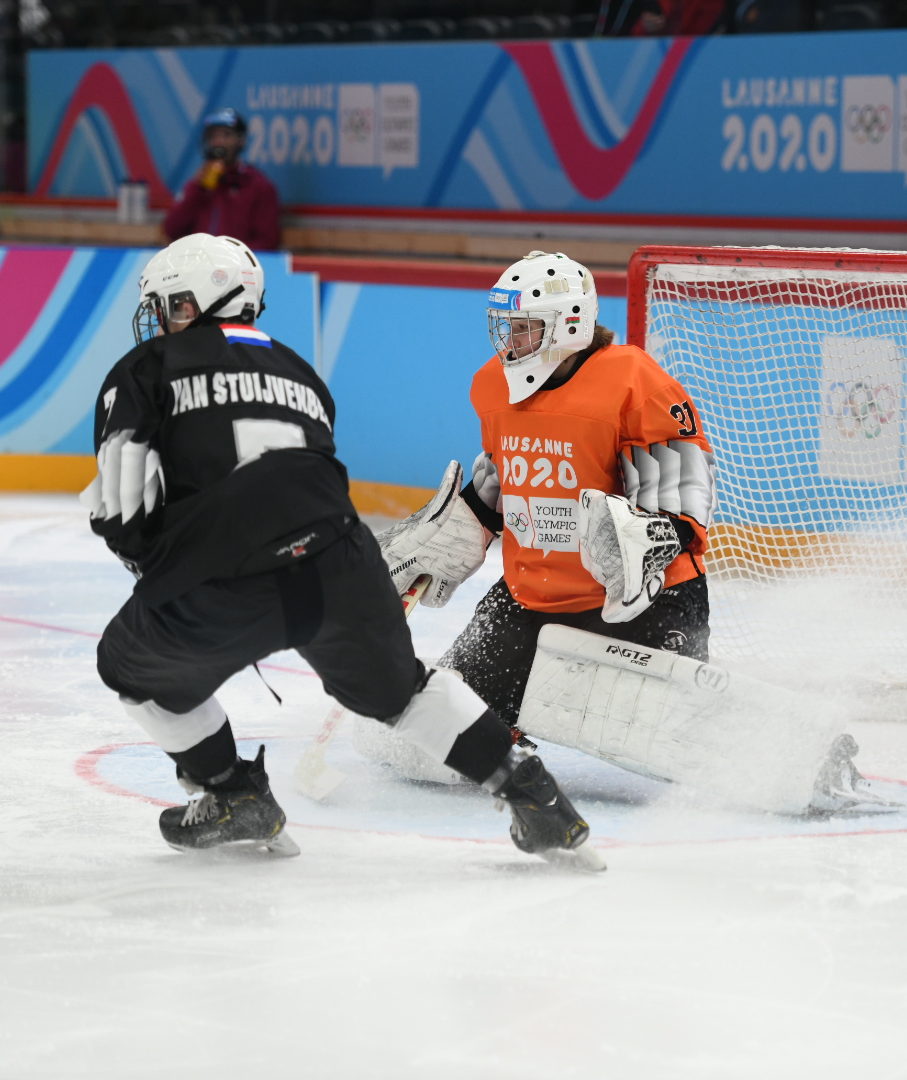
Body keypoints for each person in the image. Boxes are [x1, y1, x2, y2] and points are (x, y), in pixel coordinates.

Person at [82, 232, 601, 868]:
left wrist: (163, 572)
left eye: (167, 305)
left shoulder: (144, 369)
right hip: (340, 560)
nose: (160, 320)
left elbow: (124, 509)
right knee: (406, 693)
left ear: (190, 304)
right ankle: (537, 798)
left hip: (222, 569)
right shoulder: (298, 372)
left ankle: (231, 794)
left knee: (129, 666)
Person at [371, 251, 716, 771]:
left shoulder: (632, 381)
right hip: (531, 601)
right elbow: (504, 482)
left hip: (642, 603)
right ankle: (507, 732)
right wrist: (455, 531)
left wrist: (638, 538)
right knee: (427, 748)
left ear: (568, 325)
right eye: (505, 327)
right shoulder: (493, 385)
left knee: (686, 751)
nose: (508, 342)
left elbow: (682, 500)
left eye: (523, 327)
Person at [163, 109, 280, 252]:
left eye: (226, 135)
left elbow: (267, 242)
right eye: (213, 136)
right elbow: (171, 229)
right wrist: (197, 189)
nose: (219, 142)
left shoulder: (257, 185)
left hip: (236, 262)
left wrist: (228, 254)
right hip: (199, 260)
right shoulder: (198, 184)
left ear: (241, 141)